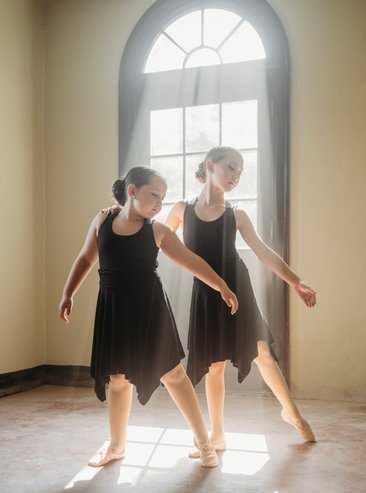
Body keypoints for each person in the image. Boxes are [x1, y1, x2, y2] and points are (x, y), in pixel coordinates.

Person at [58, 166, 238, 468]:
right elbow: (86, 258)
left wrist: (221, 286)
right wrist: (68, 293)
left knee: (173, 375)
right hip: (114, 308)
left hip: (149, 309)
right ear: (132, 191)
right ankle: (116, 446)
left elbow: (191, 260)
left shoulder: (156, 230)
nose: (159, 203)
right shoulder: (103, 220)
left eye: (163, 198)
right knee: (117, 379)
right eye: (154, 195)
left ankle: (204, 442)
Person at [165, 146, 317, 454]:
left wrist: (297, 281)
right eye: (231, 167)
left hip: (238, 286)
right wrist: (120, 211)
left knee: (262, 353)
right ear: (210, 166)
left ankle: (294, 415)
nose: (236, 175)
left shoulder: (237, 214)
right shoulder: (181, 209)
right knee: (214, 364)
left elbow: (264, 253)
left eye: (240, 171)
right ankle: (218, 435)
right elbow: (157, 239)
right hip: (206, 292)